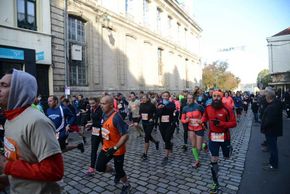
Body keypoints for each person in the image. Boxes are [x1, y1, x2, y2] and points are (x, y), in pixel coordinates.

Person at [0, 69, 63, 193]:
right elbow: (23, 159)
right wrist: (7, 179)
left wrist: (6, 166)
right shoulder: (9, 120)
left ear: (19, 91)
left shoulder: (37, 121)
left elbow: (54, 170)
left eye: (4, 85)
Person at [201, 90, 237, 193]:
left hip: (225, 137)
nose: (216, 98)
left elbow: (234, 123)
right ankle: (215, 182)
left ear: (221, 97)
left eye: (218, 96)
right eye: (214, 96)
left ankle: (229, 149)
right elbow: (204, 117)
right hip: (213, 137)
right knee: (214, 159)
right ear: (212, 97)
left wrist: (221, 123)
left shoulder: (228, 108)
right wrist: (203, 121)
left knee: (226, 156)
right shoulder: (208, 108)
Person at [95, 95, 131, 194]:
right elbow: (105, 125)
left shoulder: (117, 117)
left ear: (111, 105)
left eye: (104, 103)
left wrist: (115, 148)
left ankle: (126, 184)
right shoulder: (104, 114)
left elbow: (125, 136)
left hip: (117, 149)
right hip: (106, 147)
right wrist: (94, 126)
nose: (101, 106)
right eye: (100, 103)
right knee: (99, 167)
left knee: (120, 170)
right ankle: (115, 172)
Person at [261, 88, 283, 170]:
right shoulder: (275, 104)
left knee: (273, 148)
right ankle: (271, 162)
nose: (265, 97)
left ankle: (273, 165)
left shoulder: (272, 107)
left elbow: (269, 121)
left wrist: (263, 127)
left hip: (271, 130)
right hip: (273, 130)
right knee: (272, 147)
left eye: (266, 96)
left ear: (269, 97)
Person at [181, 94, 205, 168]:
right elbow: (182, 119)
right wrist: (186, 121)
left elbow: (205, 115)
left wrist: (201, 120)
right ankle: (197, 161)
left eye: (191, 98)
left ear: (193, 99)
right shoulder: (185, 108)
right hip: (190, 128)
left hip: (199, 128)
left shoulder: (199, 106)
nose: (189, 100)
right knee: (193, 145)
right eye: (188, 98)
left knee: (199, 148)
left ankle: (204, 145)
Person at [156, 91, 176, 165]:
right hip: (162, 124)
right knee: (164, 139)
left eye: (166, 96)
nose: (165, 97)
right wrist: (159, 108)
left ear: (169, 97)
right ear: (162, 97)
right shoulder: (159, 104)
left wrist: (164, 106)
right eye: (163, 96)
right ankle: (170, 144)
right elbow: (157, 114)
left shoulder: (171, 104)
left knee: (167, 138)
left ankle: (166, 156)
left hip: (170, 124)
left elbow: (171, 109)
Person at [85, 97, 103, 176]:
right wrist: (90, 126)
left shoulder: (102, 109)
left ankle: (113, 166)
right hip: (95, 133)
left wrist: (92, 124)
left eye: (93, 103)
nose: (91, 105)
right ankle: (92, 168)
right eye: (90, 103)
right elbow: (94, 121)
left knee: (107, 150)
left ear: (97, 102)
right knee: (93, 150)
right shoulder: (92, 109)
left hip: (103, 133)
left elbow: (102, 123)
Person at [139, 94, 159, 160]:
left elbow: (156, 113)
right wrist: (136, 121)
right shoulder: (141, 105)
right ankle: (156, 142)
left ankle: (145, 154)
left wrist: (152, 118)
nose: (143, 99)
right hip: (144, 122)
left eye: (144, 98)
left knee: (146, 137)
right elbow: (140, 114)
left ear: (148, 99)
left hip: (150, 123)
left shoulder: (151, 105)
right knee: (148, 135)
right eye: (142, 98)